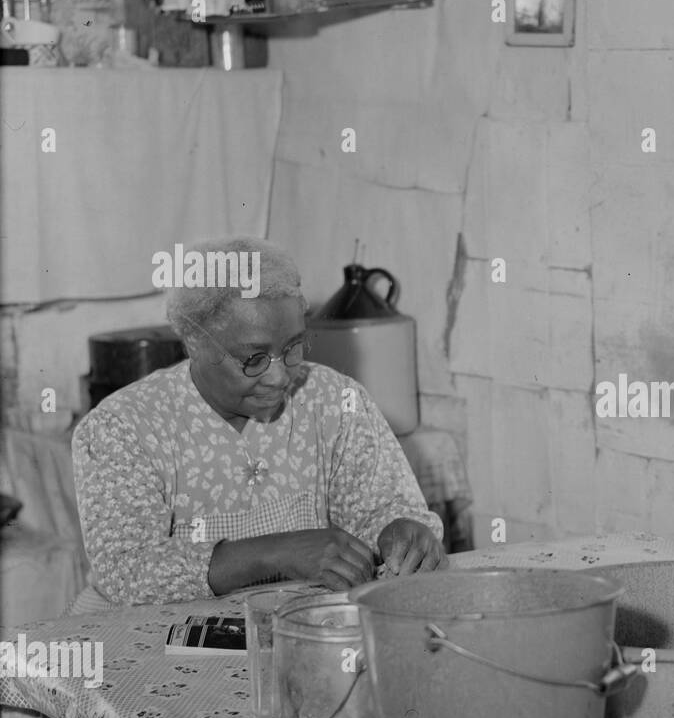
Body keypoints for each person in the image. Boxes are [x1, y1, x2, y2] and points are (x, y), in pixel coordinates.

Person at [70, 236, 445, 609]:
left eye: (293, 347)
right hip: (159, 638)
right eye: (254, 359)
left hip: (292, 622)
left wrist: (399, 532)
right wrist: (275, 553)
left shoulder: (334, 402)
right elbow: (125, 571)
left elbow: (385, 508)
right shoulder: (124, 427)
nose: (280, 377)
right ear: (194, 343)